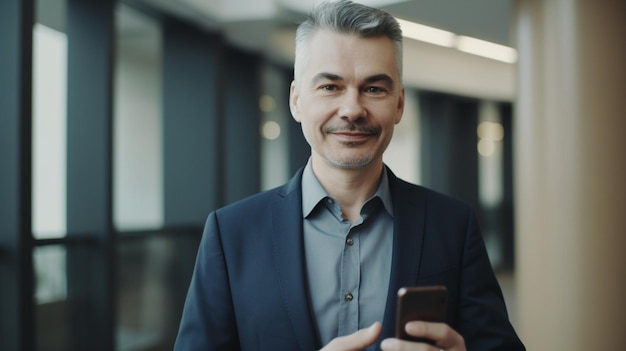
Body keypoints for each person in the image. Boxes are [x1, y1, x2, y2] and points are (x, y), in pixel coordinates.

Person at [174, 1, 525, 350]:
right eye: (330, 87)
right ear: (296, 101)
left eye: (374, 89)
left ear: (399, 103)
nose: (353, 109)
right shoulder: (231, 233)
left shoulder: (452, 225)